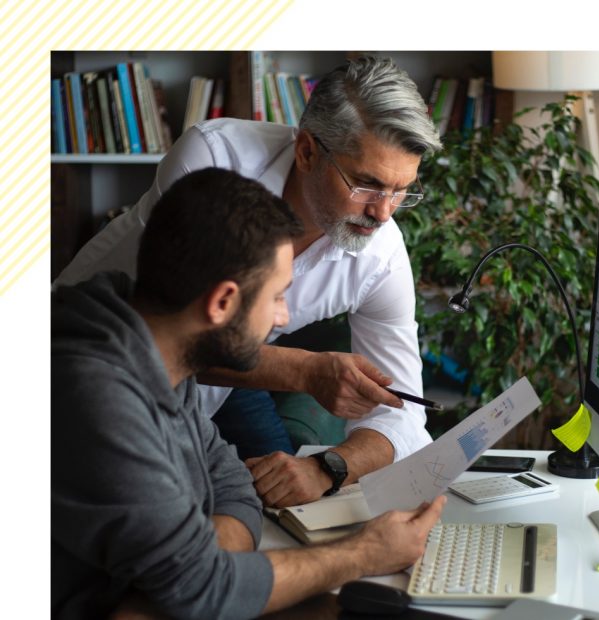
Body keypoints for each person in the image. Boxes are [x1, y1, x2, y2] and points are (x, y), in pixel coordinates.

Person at [51, 168, 445, 619]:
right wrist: (364, 553)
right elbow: (203, 589)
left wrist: (202, 573)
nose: (282, 318)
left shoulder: (155, 350)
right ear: (221, 303)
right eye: (278, 296)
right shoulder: (98, 396)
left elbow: (232, 486)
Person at [55, 56, 443, 507]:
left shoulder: (381, 252)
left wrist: (329, 466)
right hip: (89, 361)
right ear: (307, 151)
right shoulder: (214, 162)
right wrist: (304, 370)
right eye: (366, 183)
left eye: (402, 190)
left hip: (227, 380)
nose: (382, 211)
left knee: (279, 503)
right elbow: (177, 335)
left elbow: (405, 413)